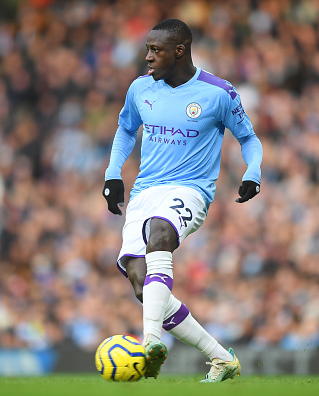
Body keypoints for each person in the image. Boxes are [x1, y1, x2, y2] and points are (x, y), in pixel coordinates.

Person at [102, 18, 262, 383]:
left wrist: (252, 172)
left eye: (155, 50)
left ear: (180, 51)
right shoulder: (140, 89)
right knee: (143, 284)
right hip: (145, 191)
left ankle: (150, 346)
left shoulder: (218, 92)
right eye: (147, 49)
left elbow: (250, 139)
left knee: (161, 233)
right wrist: (113, 173)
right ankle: (222, 358)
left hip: (190, 188)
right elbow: (126, 129)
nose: (147, 57)